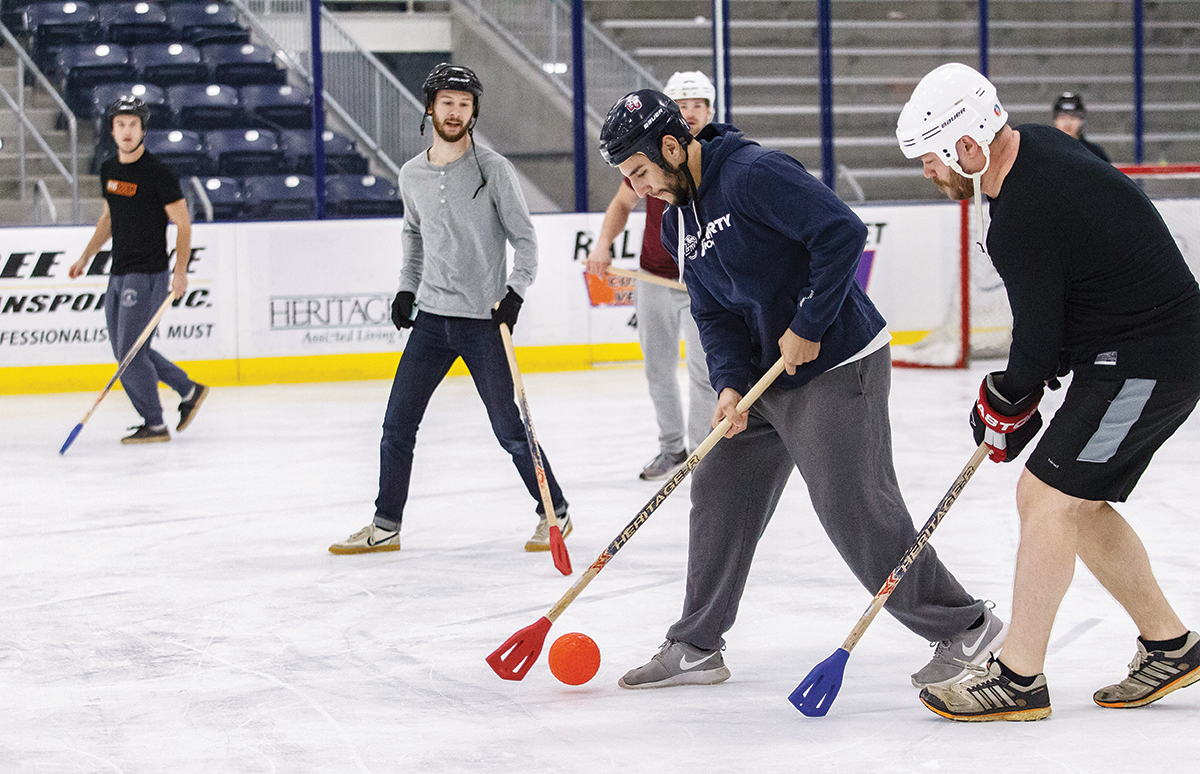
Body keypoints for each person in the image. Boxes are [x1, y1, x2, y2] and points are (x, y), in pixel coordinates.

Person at [598, 89, 1006, 691]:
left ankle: (968, 627)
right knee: (719, 494)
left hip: (837, 363)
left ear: (671, 146)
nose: (638, 189)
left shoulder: (753, 174)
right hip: (766, 378)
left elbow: (841, 232)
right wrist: (731, 386)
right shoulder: (677, 211)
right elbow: (712, 311)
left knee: (853, 508)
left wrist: (808, 324)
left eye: (640, 172)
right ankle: (696, 645)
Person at [897, 63, 1200, 721]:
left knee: (1049, 499)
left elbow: (1035, 343)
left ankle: (1018, 677)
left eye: (930, 158)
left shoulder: (1022, 212)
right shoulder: (1035, 152)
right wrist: (1013, 395)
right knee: (1072, 502)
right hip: (1131, 353)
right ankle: (1171, 645)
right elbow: (1063, 312)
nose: (928, 171)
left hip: (1149, 360)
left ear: (966, 146)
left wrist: (1006, 397)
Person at [329, 63, 571, 556]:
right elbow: (413, 236)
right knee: (397, 425)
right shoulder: (411, 173)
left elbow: (525, 241)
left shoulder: (494, 169)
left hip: (483, 322)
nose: (455, 111)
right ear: (430, 107)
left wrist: (516, 292)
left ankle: (555, 512)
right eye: (447, 102)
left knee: (509, 429)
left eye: (464, 104)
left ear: (473, 112)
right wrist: (405, 289)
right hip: (432, 321)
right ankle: (386, 523)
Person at [585, 72, 718, 480]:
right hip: (653, 279)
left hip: (700, 283)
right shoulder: (646, 160)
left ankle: (700, 454)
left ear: (711, 111)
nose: (691, 111)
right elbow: (622, 204)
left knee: (703, 372)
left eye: (699, 104)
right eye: (683, 104)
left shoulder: (711, 157)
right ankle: (672, 448)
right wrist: (603, 244)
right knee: (657, 369)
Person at [67, 97, 208, 444]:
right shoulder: (109, 170)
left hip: (148, 275)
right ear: (111, 130)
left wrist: (180, 272)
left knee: (130, 354)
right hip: (119, 272)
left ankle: (155, 423)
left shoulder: (157, 173)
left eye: (133, 125)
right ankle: (188, 388)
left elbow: (183, 223)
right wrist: (86, 255)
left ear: (143, 130)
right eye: (120, 125)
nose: (127, 131)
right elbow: (110, 217)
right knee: (128, 352)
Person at [1052, 92, 1110, 162]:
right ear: (1055, 120)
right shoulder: (1046, 151)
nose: (1067, 122)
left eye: (1073, 117)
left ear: (1081, 121)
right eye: (1062, 117)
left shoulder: (1094, 152)